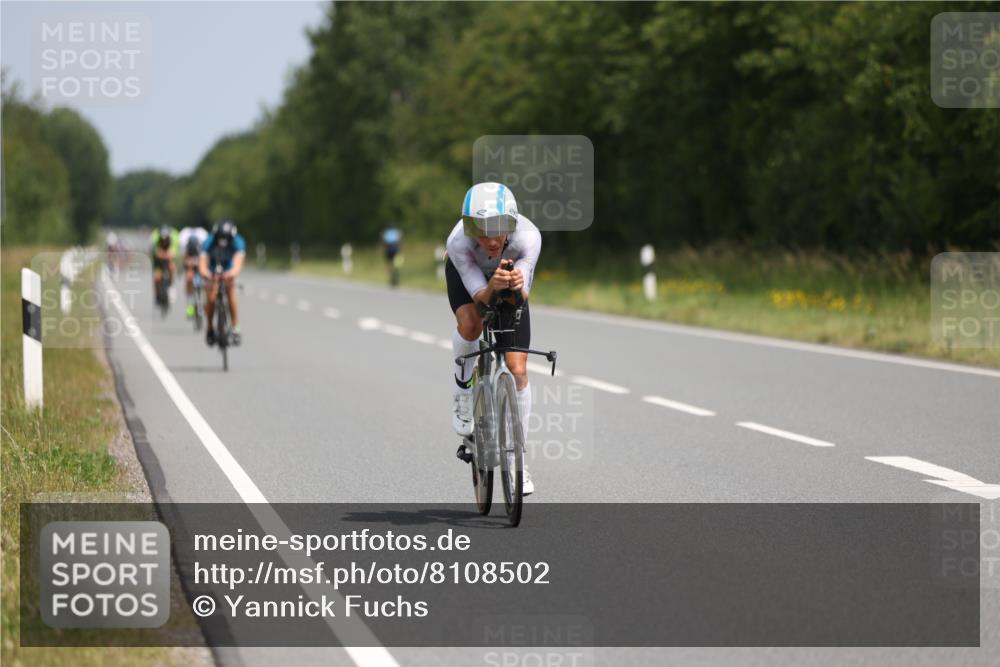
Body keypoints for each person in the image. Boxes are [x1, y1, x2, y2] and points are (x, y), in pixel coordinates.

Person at [446, 182, 541, 495]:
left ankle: (520, 464)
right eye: (479, 229)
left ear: (511, 223)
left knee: (518, 369)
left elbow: (520, 300)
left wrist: (512, 286)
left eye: (497, 229)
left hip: (509, 285)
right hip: (472, 283)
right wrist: (493, 286)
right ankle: (463, 392)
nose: (488, 239)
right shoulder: (459, 242)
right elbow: (481, 301)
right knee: (472, 325)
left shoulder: (528, 237)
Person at [199, 220, 246, 346]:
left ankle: (236, 327)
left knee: (230, 289)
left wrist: (231, 274)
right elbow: (203, 264)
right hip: (213, 267)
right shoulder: (208, 242)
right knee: (211, 296)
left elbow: (238, 264)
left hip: (228, 267)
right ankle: (210, 327)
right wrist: (207, 275)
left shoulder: (238, 242)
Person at [179, 225, 209, 318]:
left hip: (202, 262)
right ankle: (190, 305)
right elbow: (183, 258)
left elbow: (206, 260)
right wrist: (188, 264)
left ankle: (204, 303)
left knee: (207, 282)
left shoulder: (204, 245)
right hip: (190, 265)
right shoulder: (185, 245)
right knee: (189, 279)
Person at [149, 225, 179, 307]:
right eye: (163, 239)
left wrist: (168, 255)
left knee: (172, 267)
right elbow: (155, 252)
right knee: (157, 278)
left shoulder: (173, 240)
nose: (164, 241)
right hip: (158, 262)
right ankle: (157, 295)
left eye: (166, 239)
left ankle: (171, 285)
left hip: (168, 260)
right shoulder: (156, 240)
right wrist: (161, 255)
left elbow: (174, 252)